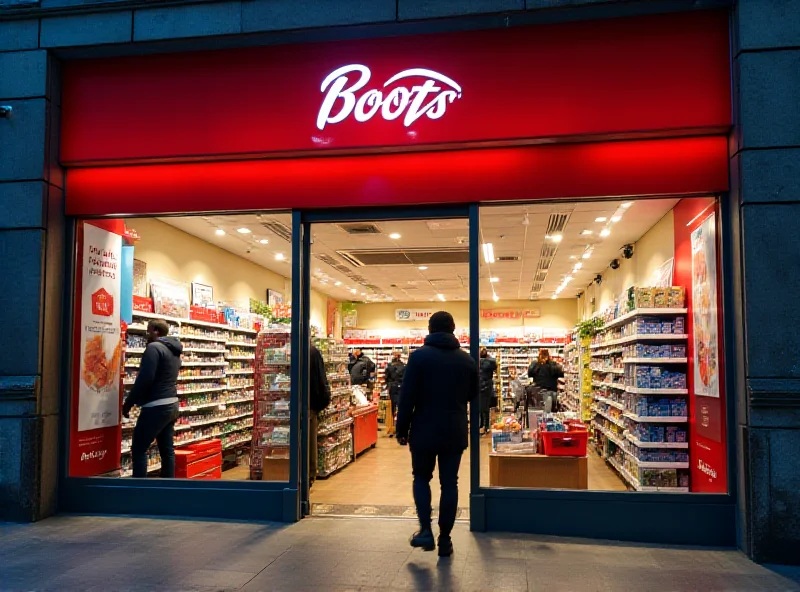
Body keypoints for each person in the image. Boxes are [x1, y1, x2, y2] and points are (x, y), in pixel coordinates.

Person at [396, 311, 478, 557]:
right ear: (453, 329)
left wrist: (402, 429)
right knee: (449, 483)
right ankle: (445, 539)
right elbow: (473, 395)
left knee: (421, 477)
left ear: (430, 329)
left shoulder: (419, 358)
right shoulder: (467, 361)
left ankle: (425, 531)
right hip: (454, 429)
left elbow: (407, 396)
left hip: (423, 429)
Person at [122, 319, 182, 478]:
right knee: (167, 450)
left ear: (155, 331)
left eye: (148, 330)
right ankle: (168, 487)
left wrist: (129, 403)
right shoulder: (174, 350)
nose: (146, 334)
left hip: (156, 406)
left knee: (139, 449)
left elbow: (145, 378)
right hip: (172, 404)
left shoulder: (154, 348)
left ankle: (139, 491)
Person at [308, 344, 332, 487]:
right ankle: (309, 476)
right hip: (310, 406)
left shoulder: (291, 349)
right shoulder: (313, 352)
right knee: (309, 444)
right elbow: (321, 379)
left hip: (293, 406)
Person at [527, 348, 564, 413]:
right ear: (548, 355)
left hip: (539, 391)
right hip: (552, 391)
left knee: (539, 411)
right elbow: (561, 374)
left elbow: (530, 373)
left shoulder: (535, 365)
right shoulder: (553, 364)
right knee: (551, 412)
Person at [478, 346, 497, 434]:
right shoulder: (490, 363)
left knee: (479, 407)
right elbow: (495, 365)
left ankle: (480, 424)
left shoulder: (476, 362)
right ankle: (486, 426)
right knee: (486, 408)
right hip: (487, 387)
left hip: (478, 386)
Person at [384, 351, 406, 423]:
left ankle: (392, 421)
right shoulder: (403, 365)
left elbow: (386, 377)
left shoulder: (389, 365)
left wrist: (388, 385)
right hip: (401, 386)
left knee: (392, 405)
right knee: (401, 404)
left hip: (392, 386)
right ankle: (400, 420)